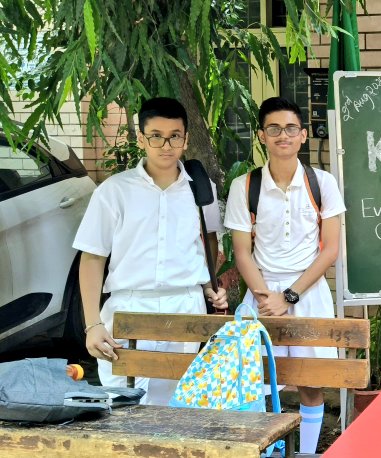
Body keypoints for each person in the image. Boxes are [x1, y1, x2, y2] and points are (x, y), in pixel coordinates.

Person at [75, 97, 228, 405]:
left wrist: (209, 285)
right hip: (129, 307)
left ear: (185, 139)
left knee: (178, 406)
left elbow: (208, 240)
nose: (165, 145)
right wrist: (92, 324)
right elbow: (92, 258)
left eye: (174, 135)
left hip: (184, 306)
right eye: (156, 136)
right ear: (142, 138)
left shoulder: (201, 189)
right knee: (123, 407)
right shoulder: (114, 191)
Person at [224, 97, 344, 455]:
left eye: (291, 128)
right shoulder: (245, 187)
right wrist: (265, 298)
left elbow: (330, 250)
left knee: (311, 381)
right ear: (262, 135)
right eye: (273, 129)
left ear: (303, 135)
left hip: (308, 294)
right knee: (255, 382)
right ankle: (263, 450)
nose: (283, 135)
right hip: (260, 296)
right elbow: (242, 253)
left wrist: (289, 296)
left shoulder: (322, 183)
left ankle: (306, 452)